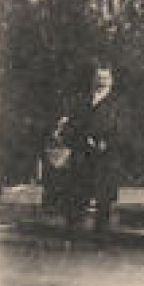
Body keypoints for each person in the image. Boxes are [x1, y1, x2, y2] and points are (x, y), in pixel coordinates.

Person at [56, 63, 123, 238]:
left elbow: (121, 129)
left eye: (105, 78)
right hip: (82, 153)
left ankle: (101, 235)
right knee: (78, 193)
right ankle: (73, 233)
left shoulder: (118, 104)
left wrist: (105, 142)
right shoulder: (83, 101)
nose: (102, 82)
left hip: (105, 156)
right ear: (93, 80)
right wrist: (76, 137)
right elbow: (73, 124)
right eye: (98, 78)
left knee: (103, 197)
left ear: (112, 81)